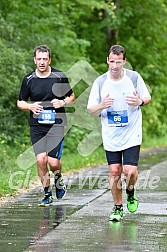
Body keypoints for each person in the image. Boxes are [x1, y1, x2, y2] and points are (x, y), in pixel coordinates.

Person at [87, 45, 151, 221]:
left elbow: (147, 98)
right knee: (115, 171)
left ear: (124, 61)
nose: (115, 66)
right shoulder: (100, 82)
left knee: (130, 171)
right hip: (111, 134)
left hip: (131, 132)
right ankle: (117, 207)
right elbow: (91, 110)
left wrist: (139, 101)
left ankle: (130, 191)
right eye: (112, 61)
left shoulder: (134, 77)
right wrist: (102, 105)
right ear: (107, 60)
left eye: (119, 62)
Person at [17, 45, 75, 206]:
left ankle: (58, 178)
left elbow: (72, 97)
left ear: (49, 59)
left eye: (45, 59)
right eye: (39, 59)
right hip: (37, 125)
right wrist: (29, 106)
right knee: (41, 160)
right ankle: (47, 194)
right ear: (34, 60)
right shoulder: (28, 79)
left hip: (56, 124)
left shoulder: (59, 76)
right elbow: (20, 102)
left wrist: (62, 101)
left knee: (53, 162)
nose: (42, 62)